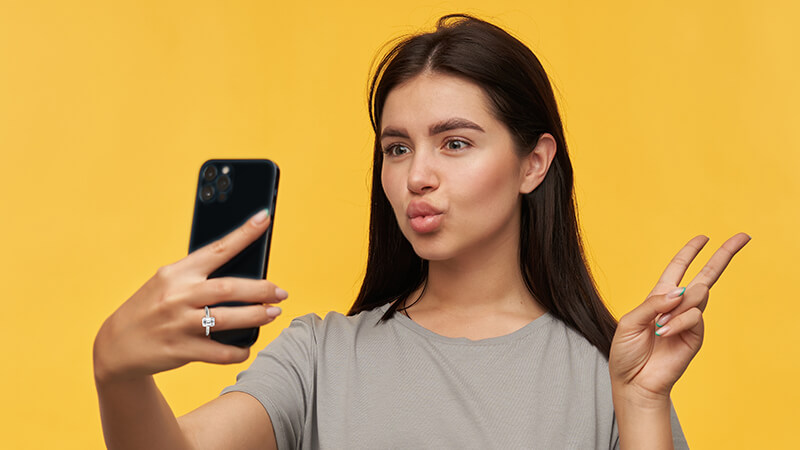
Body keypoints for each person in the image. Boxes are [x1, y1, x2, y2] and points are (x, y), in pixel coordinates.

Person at [93, 14, 750, 449]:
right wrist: (117, 372)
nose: (417, 177)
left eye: (455, 143)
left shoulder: (611, 374)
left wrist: (638, 406)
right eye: (397, 148)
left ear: (534, 162)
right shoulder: (320, 359)